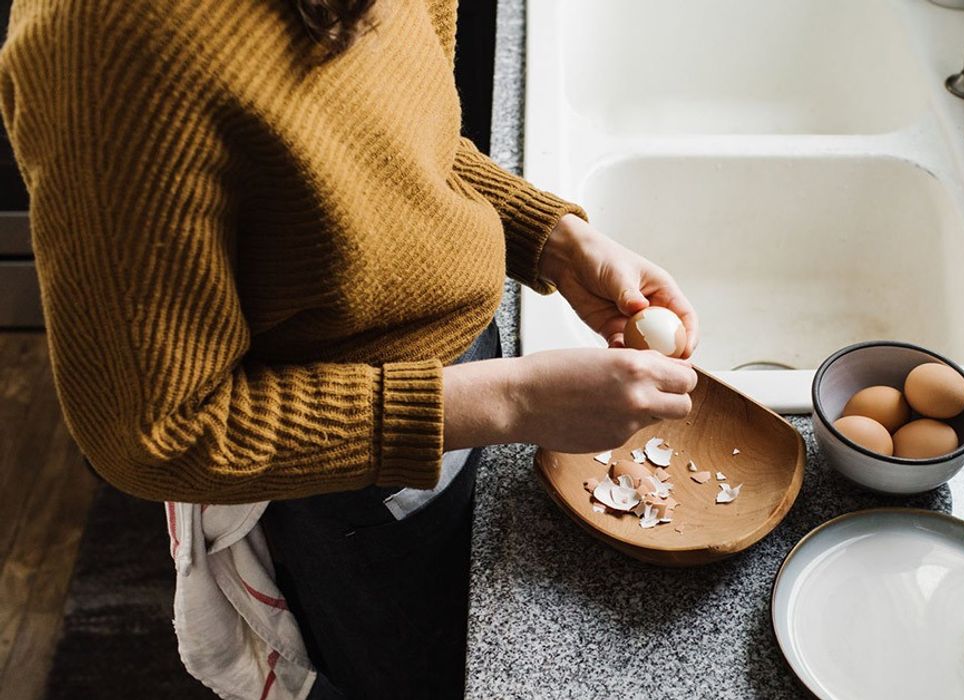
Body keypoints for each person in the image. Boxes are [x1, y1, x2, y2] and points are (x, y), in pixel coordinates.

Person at [0, 0, 699, 697]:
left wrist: (553, 242)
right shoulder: (109, 40)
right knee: (414, 675)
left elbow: (399, 144)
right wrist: (511, 401)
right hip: (348, 468)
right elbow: (155, 435)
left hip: (467, 384)